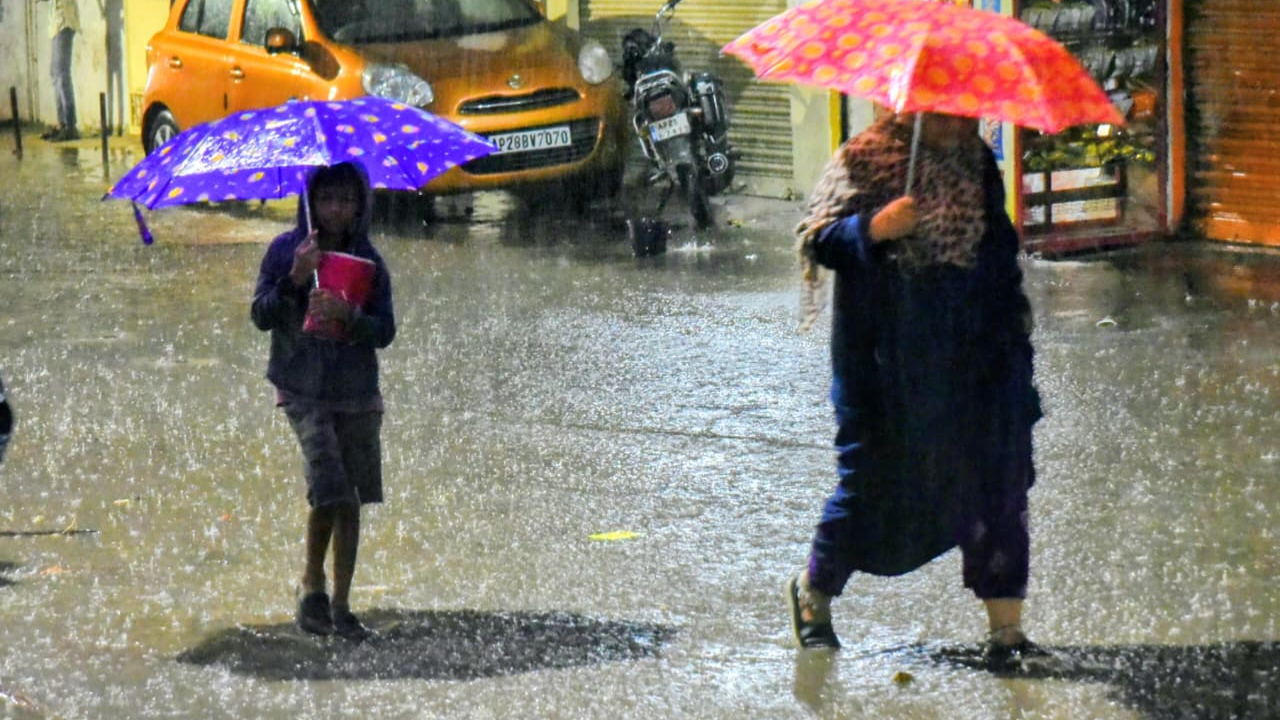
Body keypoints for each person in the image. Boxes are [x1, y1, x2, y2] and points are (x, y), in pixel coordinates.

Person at [785, 112, 1045, 670]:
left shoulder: (975, 160)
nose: (962, 119)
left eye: (968, 109)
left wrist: (1012, 339)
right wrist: (874, 229)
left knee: (997, 484)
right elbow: (818, 236)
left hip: (975, 356)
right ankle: (813, 593)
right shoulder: (864, 159)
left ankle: (1006, 630)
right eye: (948, 109)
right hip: (886, 361)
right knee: (872, 484)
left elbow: (998, 250)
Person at [251, 162, 396, 640]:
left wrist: (349, 315)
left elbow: (385, 331)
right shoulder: (285, 252)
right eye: (327, 199)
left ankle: (341, 604)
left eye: (346, 200)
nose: (336, 209)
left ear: (360, 206)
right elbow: (260, 315)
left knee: (351, 498)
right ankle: (312, 582)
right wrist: (295, 278)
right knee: (330, 487)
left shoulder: (369, 261)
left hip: (356, 393)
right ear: (310, 203)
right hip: (302, 389)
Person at [37, 0, 81, 141]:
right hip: (57, 24)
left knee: (61, 75)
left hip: (64, 22)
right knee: (56, 74)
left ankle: (70, 126)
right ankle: (63, 124)